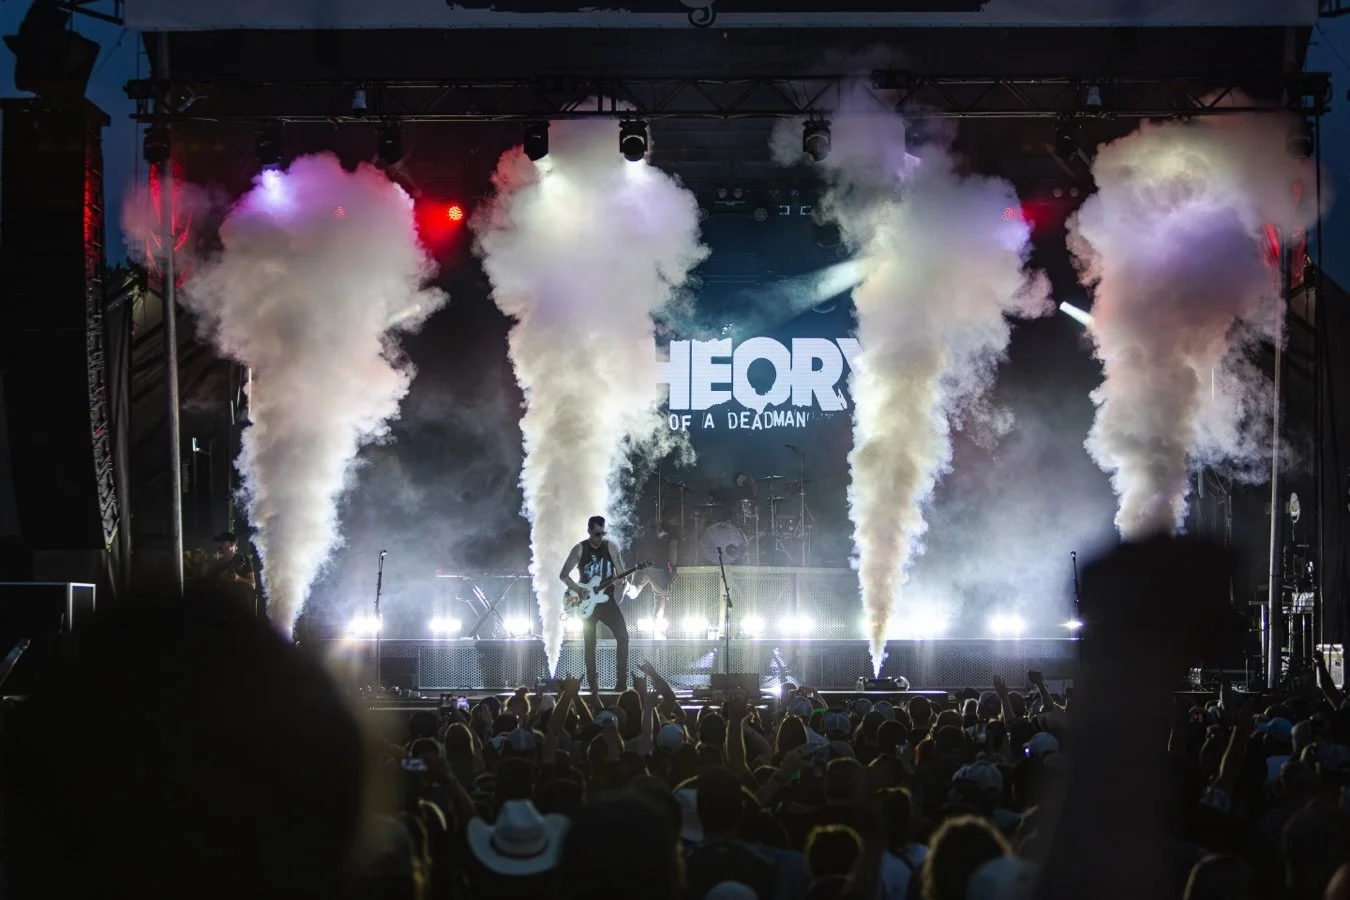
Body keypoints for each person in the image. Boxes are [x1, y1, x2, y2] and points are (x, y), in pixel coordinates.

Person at [559, 515, 631, 693]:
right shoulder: (579, 549)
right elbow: (563, 575)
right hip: (586, 601)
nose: (600, 538)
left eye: (602, 533)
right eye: (597, 534)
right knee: (589, 643)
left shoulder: (611, 547)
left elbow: (622, 575)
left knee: (623, 636)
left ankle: (621, 681)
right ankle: (592, 682)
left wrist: (620, 581)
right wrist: (579, 589)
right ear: (589, 531)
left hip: (607, 601)